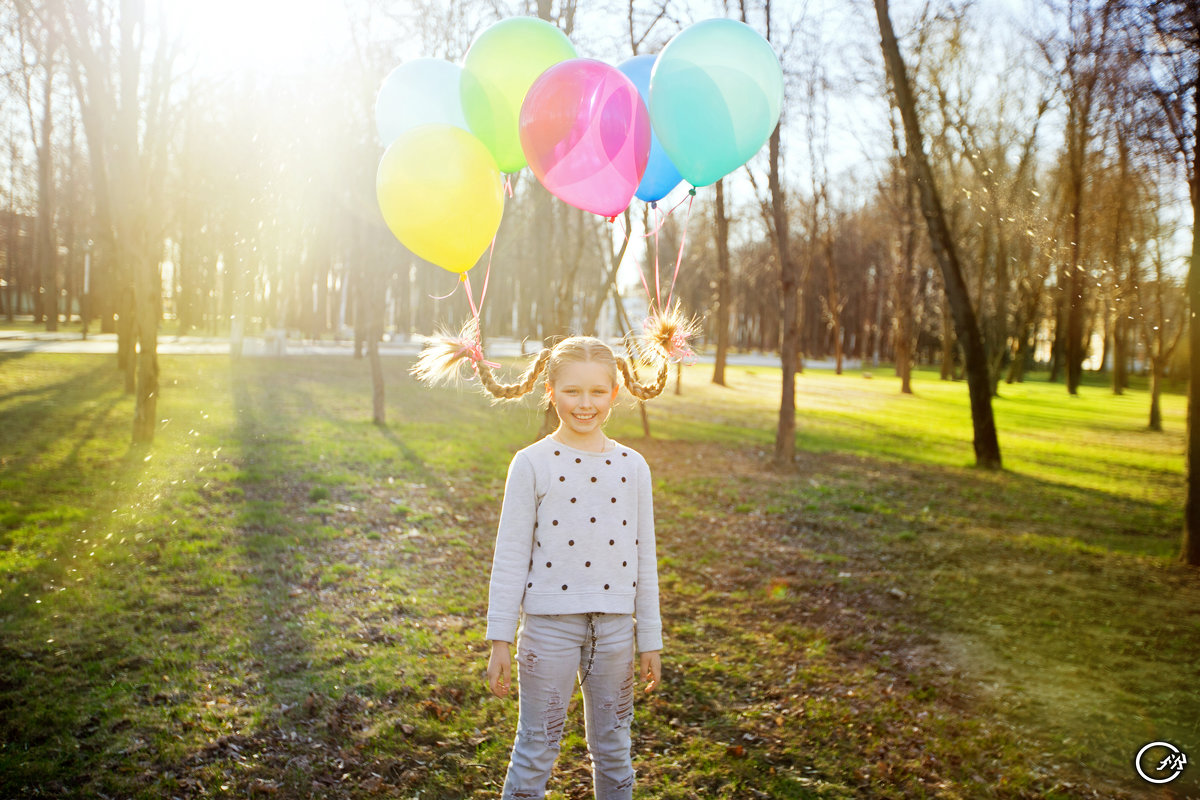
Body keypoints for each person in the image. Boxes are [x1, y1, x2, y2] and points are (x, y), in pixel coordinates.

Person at [411, 327, 676, 800]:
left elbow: (645, 558)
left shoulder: (634, 466)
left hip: (616, 631)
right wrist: (498, 638)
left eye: (598, 391)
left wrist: (650, 638)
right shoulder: (531, 463)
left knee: (615, 748)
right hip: (547, 631)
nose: (585, 403)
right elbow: (510, 556)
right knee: (535, 748)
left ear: (616, 392)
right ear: (549, 391)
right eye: (572, 391)